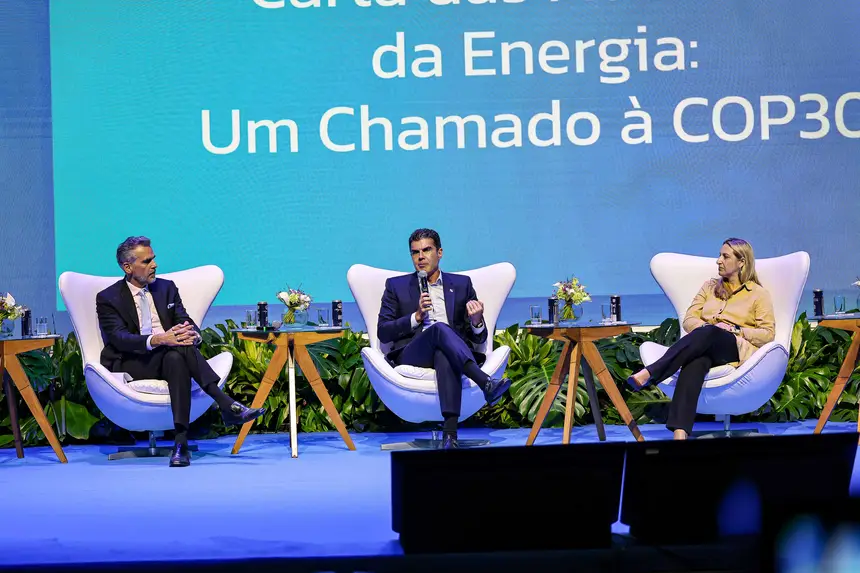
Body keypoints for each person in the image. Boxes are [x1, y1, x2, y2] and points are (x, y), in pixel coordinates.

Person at [96, 236, 265, 467]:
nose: (154, 265)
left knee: (177, 356)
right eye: (146, 261)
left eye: (153, 259)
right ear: (127, 267)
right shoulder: (108, 297)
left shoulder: (166, 288)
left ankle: (181, 443)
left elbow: (184, 321)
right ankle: (224, 404)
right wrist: (158, 339)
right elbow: (119, 338)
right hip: (132, 361)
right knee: (176, 352)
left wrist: (193, 335)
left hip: (168, 357)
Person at [627, 238, 775, 440]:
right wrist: (708, 327)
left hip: (733, 348)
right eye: (719, 255)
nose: (718, 261)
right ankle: (680, 433)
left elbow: (767, 333)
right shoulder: (709, 287)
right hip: (705, 342)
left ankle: (651, 372)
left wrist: (735, 329)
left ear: (741, 262)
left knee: (711, 332)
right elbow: (689, 320)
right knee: (696, 362)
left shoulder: (758, 294)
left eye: (725, 256)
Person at [377, 228, 511, 449]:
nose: (421, 257)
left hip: (452, 351)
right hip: (414, 352)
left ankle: (450, 436)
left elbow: (479, 337)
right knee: (439, 329)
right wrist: (415, 317)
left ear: (439, 253)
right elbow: (383, 331)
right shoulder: (396, 286)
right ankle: (485, 382)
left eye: (427, 250)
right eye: (415, 252)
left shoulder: (462, 284)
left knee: (444, 352)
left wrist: (477, 320)